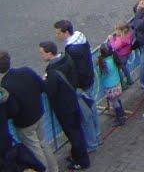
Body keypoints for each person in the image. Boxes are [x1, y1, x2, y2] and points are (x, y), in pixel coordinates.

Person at [0, 50, 61, 172]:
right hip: (39, 113)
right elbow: (42, 86)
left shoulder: (5, 85)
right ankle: (54, 168)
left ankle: (44, 169)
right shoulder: (26, 70)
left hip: (25, 123)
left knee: (35, 149)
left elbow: (13, 110)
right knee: (43, 143)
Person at [39, 41, 90, 169]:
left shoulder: (52, 72)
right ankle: (77, 155)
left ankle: (82, 160)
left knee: (73, 133)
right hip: (72, 100)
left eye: (42, 53)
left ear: (49, 53)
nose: (41, 56)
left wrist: (43, 82)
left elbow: (50, 90)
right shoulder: (66, 58)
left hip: (63, 107)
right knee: (77, 130)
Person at [53, 20, 99, 153]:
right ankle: (97, 136)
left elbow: (74, 68)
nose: (57, 36)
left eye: (58, 33)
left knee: (85, 116)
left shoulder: (72, 50)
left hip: (81, 85)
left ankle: (91, 143)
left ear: (66, 32)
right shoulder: (81, 39)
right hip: (89, 79)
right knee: (92, 108)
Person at [96, 42, 126, 126]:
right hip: (116, 83)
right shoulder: (113, 59)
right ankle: (121, 114)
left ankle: (120, 118)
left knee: (114, 102)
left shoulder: (104, 64)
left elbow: (102, 75)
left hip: (109, 86)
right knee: (117, 99)